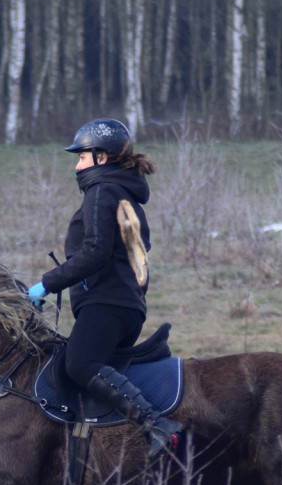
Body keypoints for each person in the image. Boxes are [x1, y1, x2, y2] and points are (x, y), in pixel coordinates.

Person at [28, 118, 184, 461]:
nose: (76, 165)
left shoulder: (102, 192)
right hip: (127, 307)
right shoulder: (127, 195)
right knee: (90, 378)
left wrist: (46, 284)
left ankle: (157, 425)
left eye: (81, 157)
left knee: (80, 364)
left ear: (101, 158)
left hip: (107, 304)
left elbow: (95, 252)